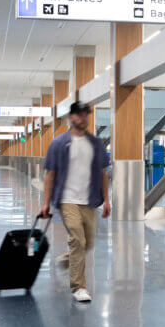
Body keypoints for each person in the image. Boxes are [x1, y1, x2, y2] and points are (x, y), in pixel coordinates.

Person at [40, 101, 110, 302]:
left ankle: (67, 259)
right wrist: (46, 203)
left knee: (87, 243)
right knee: (78, 240)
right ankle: (79, 287)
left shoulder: (96, 144)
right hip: (67, 200)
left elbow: (103, 173)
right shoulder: (59, 143)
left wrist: (106, 200)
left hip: (90, 200)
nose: (83, 118)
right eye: (79, 115)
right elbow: (50, 174)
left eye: (86, 114)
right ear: (71, 118)